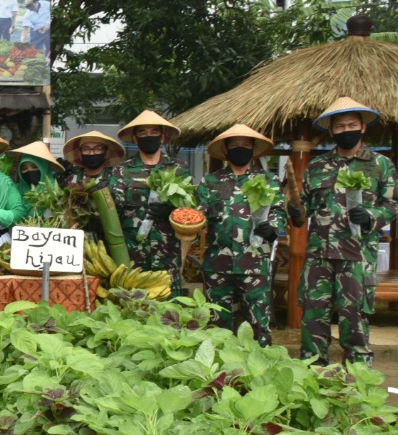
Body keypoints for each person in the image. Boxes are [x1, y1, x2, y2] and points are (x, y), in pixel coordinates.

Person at [289, 97, 398, 366]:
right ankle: (312, 373)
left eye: (351, 124)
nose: (345, 130)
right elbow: (304, 209)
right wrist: (295, 214)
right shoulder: (317, 166)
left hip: (357, 255)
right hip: (319, 254)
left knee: (354, 317)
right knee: (314, 315)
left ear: (362, 127)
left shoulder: (381, 164)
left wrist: (371, 216)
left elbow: (394, 204)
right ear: (332, 131)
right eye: (339, 126)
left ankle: (359, 379)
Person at [195, 125, 285, 346]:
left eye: (245, 145)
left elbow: (279, 212)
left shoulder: (268, 180)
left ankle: (262, 368)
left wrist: (272, 227)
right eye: (234, 146)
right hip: (217, 264)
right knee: (216, 322)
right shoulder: (210, 182)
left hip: (254, 263)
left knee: (258, 324)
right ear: (225, 150)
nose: (240, 149)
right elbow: (198, 215)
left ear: (254, 149)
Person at [109, 110, 190, 295]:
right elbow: (113, 213)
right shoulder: (121, 172)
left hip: (167, 255)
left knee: (169, 313)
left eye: (154, 132)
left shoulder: (178, 170)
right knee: (132, 310)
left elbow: (191, 211)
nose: (149, 137)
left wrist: (172, 211)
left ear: (162, 137)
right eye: (143, 133)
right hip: (132, 256)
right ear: (136, 139)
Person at [6, 140, 68, 218]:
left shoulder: (56, 194)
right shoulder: (15, 191)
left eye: (34, 167)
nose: (29, 171)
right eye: (24, 168)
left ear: (44, 168)